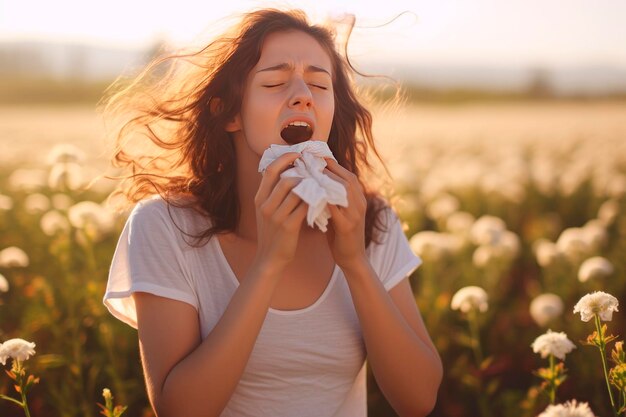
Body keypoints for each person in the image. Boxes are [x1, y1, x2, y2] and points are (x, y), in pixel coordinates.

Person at [101, 8, 442, 417]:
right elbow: (180, 409)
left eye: (320, 83)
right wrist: (268, 263)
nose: (303, 95)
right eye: (275, 82)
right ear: (227, 112)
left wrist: (354, 261)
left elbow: (419, 400)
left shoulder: (370, 219)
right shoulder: (165, 226)